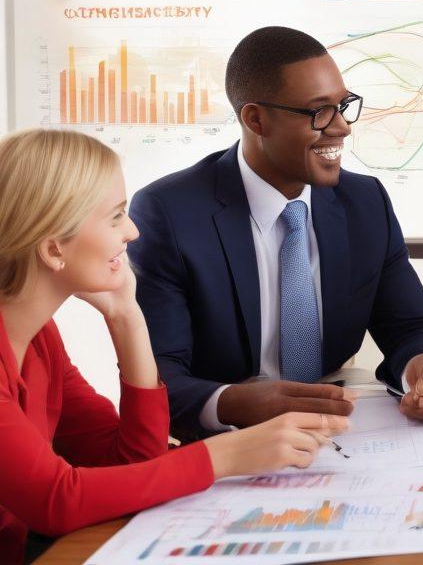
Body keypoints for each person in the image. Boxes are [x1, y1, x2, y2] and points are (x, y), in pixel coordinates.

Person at [0, 129, 347, 563]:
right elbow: (57, 501)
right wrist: (224, 455)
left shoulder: (40, 341)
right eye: (115, 217)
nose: (132, 231)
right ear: (54, 250)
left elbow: (128, 460)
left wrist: (126, 316)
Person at [130, 27, 423, 441]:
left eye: (343, 106)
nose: (342, 127)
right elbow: (157, 378)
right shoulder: (170, 212)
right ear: (256, 119)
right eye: (319, 112)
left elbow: (409, 324)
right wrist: (237, 401)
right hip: (231, 443)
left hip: (344, 433)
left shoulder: (365, 202)